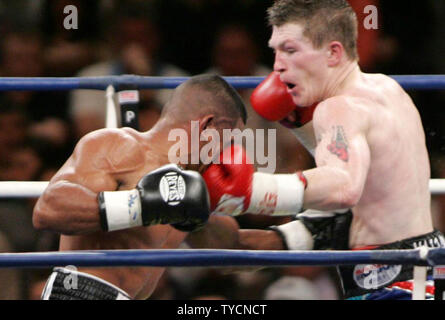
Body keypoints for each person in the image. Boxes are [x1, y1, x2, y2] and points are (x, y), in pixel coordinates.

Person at [202, 0, 444, 300]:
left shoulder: (338, 107)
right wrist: (302, 127)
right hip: (425, 265)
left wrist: (254, 189)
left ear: (333, 52)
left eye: (290, 50)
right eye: (275, 50)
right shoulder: (387, 89)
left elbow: (343, 186)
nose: (277, 65)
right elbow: (360, 180)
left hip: (393, 277)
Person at [33, 74, 247, 300]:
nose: (225, 155)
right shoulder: (120, 147)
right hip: (79, 292)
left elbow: (229, 246)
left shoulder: (186, 188)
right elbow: (48, 210)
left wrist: (284, 227)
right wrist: (141, 206)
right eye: (228, 141)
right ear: (207, 126)